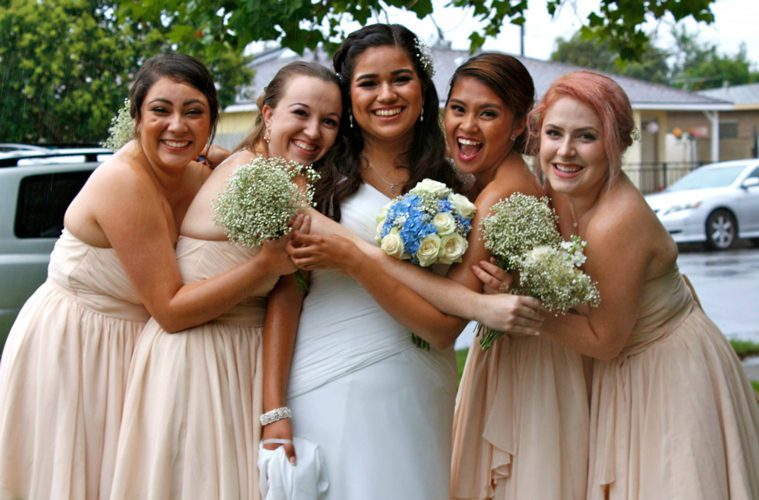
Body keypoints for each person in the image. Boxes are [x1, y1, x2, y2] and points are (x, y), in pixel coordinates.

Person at [268, 25, 544, 500]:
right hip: (325, 376)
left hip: (418, 381)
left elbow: (443, 329)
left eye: (400, 78)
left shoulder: (458, 181)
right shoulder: (317, 174)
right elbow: (286, 292)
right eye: (368, 83)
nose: (386, 95)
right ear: (348, 95)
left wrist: (357, 260)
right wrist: (273, 410)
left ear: (423, 86)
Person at [0, 52, 285, 500]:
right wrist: (265, 266)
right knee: (77, 476)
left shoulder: (200, 175)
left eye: (194, 112)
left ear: (211, 120)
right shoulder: (123, 183)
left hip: (137, 346)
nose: (178, 125)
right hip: (78, 347)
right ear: (136, 117)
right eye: (160, 110)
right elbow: (171, 310)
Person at [513, 70, 759, 499]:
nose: (565, 151)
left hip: (666, 370)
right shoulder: (557, 195)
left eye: (586, 137)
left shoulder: (617, 220)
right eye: (554, 133)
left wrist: (519, 307)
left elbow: (605, 340)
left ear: (617, 145)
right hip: (625, 368)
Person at [107, 61, 343, 500]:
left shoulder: (283, 178)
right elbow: (296, 271)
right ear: (268, 114)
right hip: (195, 356)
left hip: (241, 356)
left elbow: (288, 292)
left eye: (329, 121)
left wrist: (273, 406)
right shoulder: (251, 177)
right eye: (301, 114)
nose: (313, 131)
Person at [443, 53, 590, 500]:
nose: (467, 125)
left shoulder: (502, 195)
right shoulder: (488, 178)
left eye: (488, 113)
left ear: (517, 126)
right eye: (458, 108)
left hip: (532, 369)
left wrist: (362, 258)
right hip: (507, 353)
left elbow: (447, 315)